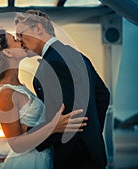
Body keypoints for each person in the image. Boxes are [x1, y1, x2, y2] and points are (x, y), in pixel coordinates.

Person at [15, 10, 110, 169]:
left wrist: (28, 134)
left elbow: (66, 117)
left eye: (21, 34)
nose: (20, 41)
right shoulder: (76, 54)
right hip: (92, 155)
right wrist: (92, 134)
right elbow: (103, 95)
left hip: (75, 159)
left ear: (38, 28)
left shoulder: (52, 64)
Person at [0, 29, 88, 169]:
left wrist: (32, 129)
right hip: (29, 162)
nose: (20, 40)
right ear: (7, 52)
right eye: (14, 39)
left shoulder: (18, 86)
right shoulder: (6, 94)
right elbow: (16, 145)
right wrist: (52, 127)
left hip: (43, 156)